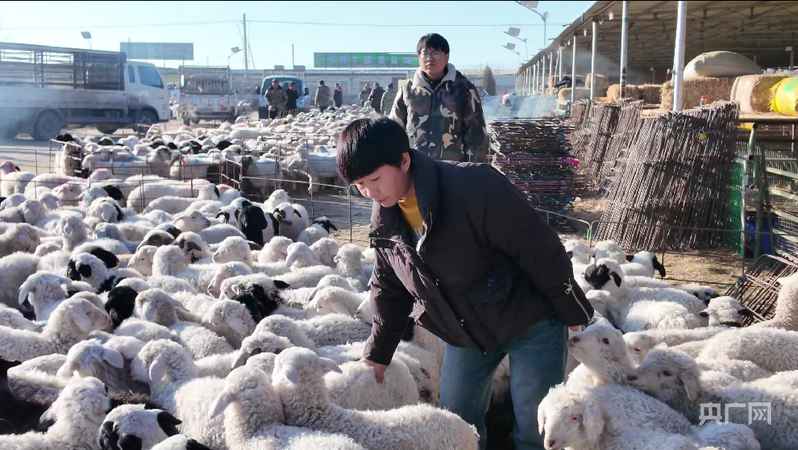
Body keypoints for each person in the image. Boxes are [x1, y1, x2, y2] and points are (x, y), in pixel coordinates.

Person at [336, 117, 594, 450]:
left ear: (404, 160)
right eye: (359, 186)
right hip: (465, 330)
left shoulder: (474, 187)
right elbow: (388, 286)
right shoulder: (385, 218)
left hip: (529, 319)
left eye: (374, 179)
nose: (370, 192)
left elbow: (538, 248)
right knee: (456, 421)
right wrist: (377, 354)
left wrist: (570, 309)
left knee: (537, 427)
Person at [391, 33, 489, 163]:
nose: (429, 58)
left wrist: (474, 171)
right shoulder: (407, 90)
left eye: (436, 53)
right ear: (418, 57)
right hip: (416, 167)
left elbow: (477, 136)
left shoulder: (463, 89)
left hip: (452, 169)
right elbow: (393, 130)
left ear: (447, 56)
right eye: (425, 53)